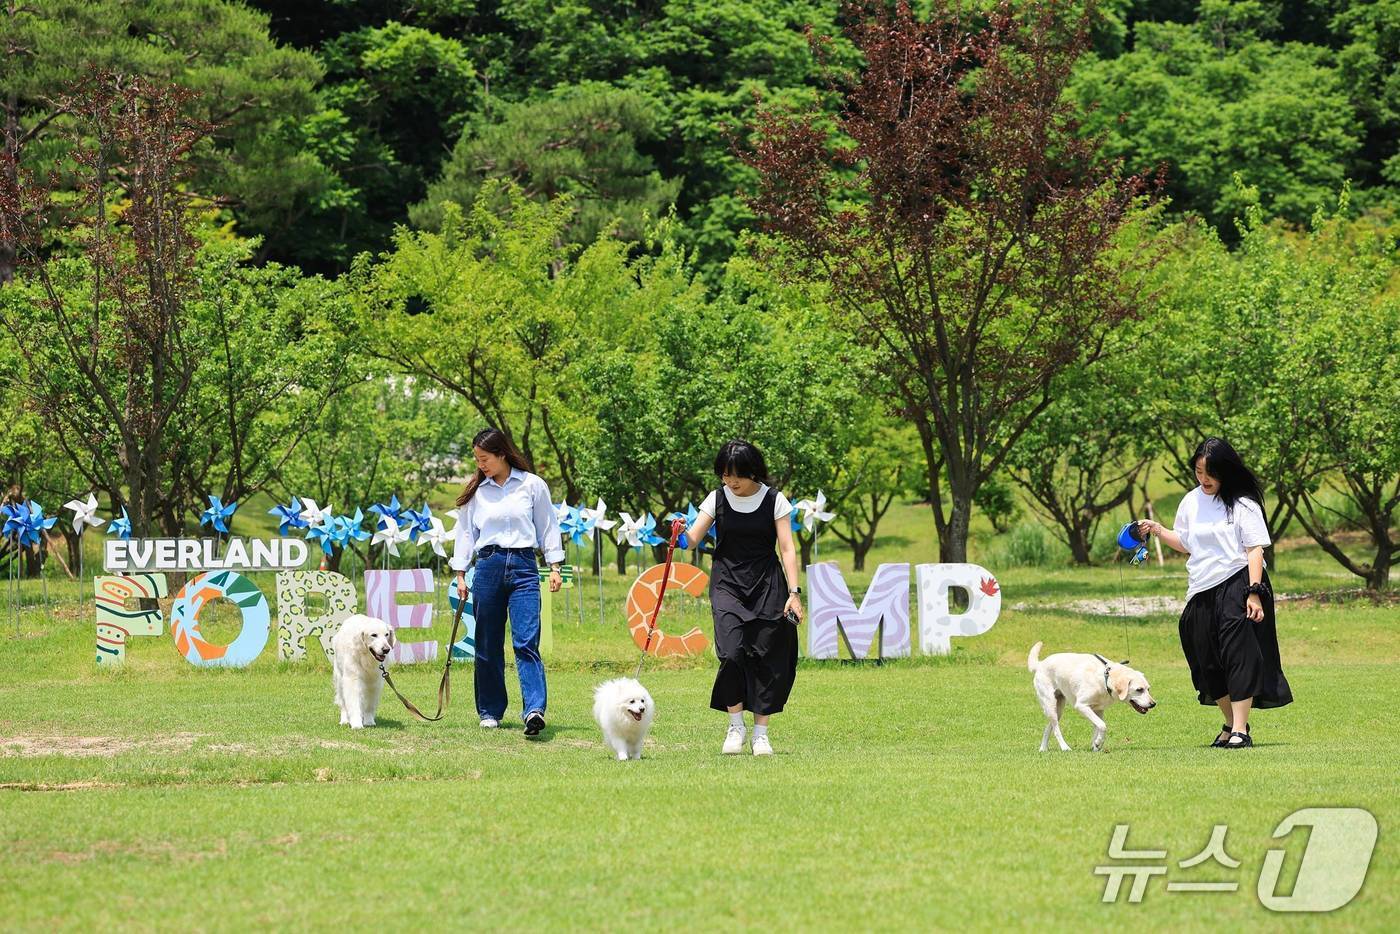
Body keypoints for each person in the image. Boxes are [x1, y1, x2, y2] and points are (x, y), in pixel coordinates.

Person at [1138, 437, 1293, 748]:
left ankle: (1240, 731)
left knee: (1238, 655)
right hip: (1201, 588)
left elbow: (1254, 551)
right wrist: (1156, 529)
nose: (1204, 479)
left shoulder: (1243, 504)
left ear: (1225, 471)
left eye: (1210, 473)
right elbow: (1185, 543)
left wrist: (1254, 593)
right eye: (1198, 472)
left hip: (1238, 582)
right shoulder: (1190, 502)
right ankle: (1230, 723)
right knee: (1204, 660)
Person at [685, 440, 804, 756]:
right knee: (731, 653)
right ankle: (735, 726)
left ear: (753, 472)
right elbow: (692, 539)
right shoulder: (717, 498)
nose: (730, 482)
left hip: (767, 585)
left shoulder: (775, 500)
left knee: (766, 657)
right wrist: (680, 533)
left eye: (736, 475)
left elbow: (787, 549)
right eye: (725, 474)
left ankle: (760, 734)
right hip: (727, 585)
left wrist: (794, 593)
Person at [450, 428, 564, 737]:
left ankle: (534, 710)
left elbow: (547, 525)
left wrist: (554, 565)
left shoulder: (532, 485)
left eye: (484, 458)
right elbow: (464, 534)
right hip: (487, 566)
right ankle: (490, 710)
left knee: (526, 640)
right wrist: (460, 573)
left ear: (502, 454)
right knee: (487, 643)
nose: (480, 464)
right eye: (477, 459)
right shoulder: (477, 492)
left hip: (525, 566)